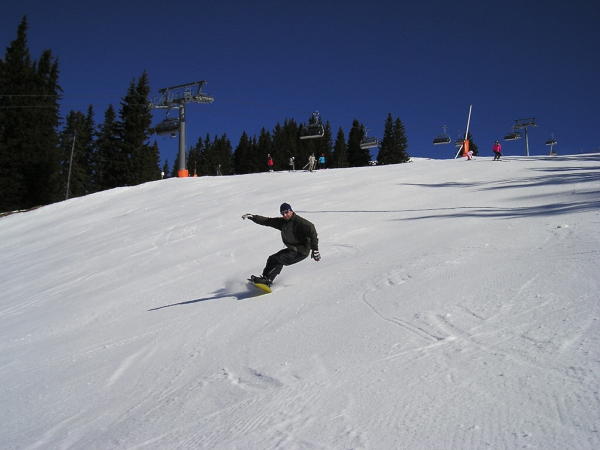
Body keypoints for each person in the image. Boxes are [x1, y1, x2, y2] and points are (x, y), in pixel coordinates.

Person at [242, 202, 320, 287]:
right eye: (282, 213)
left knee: (279, 259)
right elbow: (267, 221)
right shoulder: (282, 222)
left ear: (291, 211)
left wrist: (315, 249)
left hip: (301, 250)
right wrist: (253, 217)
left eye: (286, 212)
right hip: (294, 249)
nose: (285, 215)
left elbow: (311, 230)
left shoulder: (299, 221)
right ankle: (264, 278)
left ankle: (268, 280)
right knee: (272, 259)